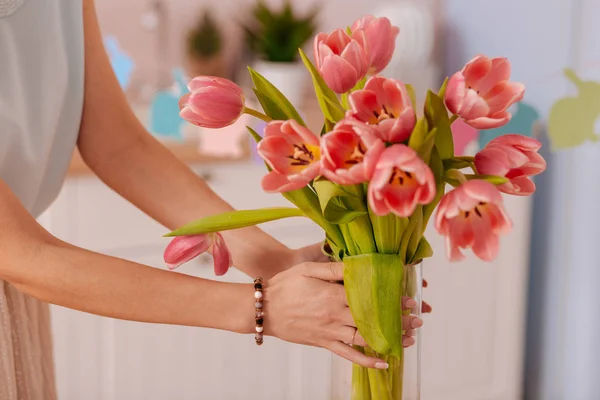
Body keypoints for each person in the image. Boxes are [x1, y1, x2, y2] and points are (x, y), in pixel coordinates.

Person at [0, 1, 427, 399]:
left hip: (18, 309)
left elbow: (118, 146)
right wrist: (263, 308)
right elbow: (23, 254)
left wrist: (275, 262)